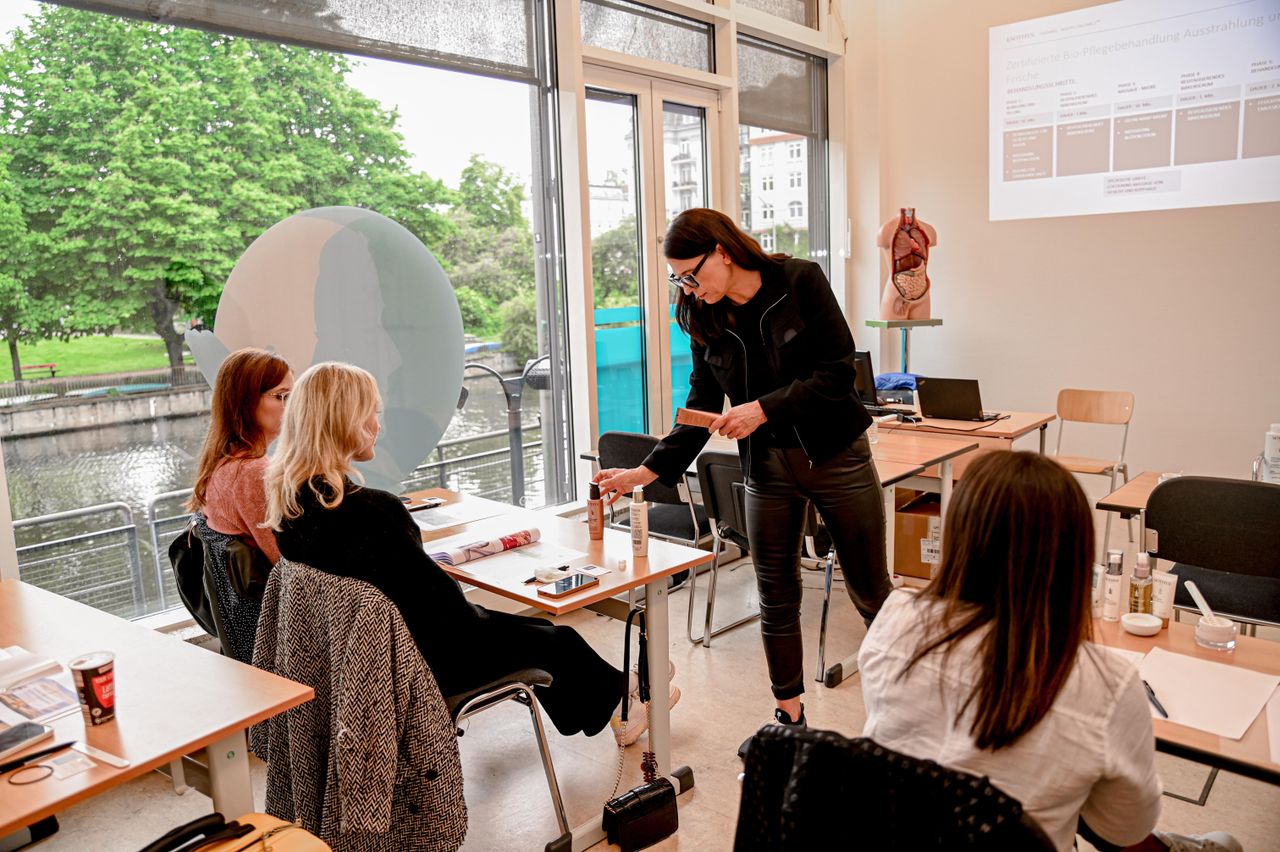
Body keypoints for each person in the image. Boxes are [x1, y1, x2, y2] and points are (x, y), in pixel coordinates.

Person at [595, 207, 889, 754]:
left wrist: (762, 408)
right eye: (678, 279)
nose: (688, 288)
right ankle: (789, 718)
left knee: (872, 592)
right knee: (775, 595)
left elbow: (837, 371)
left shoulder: (798, 280)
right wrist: (649, 470)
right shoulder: (698, 313)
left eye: (691, 274)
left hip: (837, 456)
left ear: (723, 252)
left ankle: (902, 711)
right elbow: (702, 401)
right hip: (767, 467)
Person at [858, 451, 1242, 852]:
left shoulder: (896, 617)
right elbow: (1125, 832)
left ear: (958, 535)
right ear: (1073, 556)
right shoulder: (1105, 684)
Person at [264, 361, 664, 743]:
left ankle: (620, 699)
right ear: (344, 421)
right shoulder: (375, 512)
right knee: (559, 639)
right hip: (429, 660)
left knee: (543, 633)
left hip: (361, 662)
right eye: (371, 413)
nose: (377, 425)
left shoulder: (290, 509)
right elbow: (446, 614)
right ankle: (628, 696)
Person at [188, 347, 292, 568]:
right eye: (282, 396)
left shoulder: (224, 463)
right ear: (246, 402)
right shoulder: (252, 472)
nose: (292, 407)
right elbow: (286, 566)